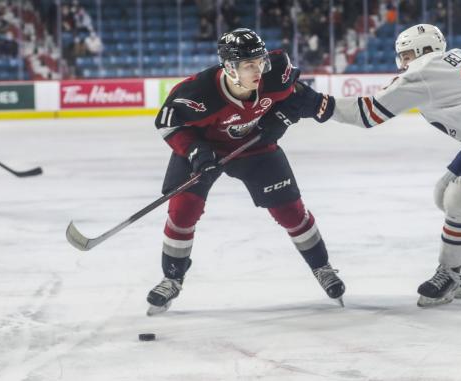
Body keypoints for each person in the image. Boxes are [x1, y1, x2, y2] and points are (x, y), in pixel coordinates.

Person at [289, 24, 461, 307]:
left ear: (419, 51)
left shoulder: (421, 72)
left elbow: (368, 113)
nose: (402, 62)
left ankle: (449, 274)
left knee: (460, 196)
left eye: (404, 55)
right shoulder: (454, 57)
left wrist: (317, 104)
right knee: (445, 193)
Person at [147, 28, 346, 315]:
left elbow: (297, 94)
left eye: (260, 61)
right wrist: (197, 153)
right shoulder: (196, 92)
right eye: (249, 65)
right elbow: (168, 124)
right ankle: (172, 278)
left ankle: (322, 267)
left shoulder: (275, 72)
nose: (259, 70)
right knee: (182, 211)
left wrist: (287, 114)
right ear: (229, 67)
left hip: (255, 148)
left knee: (291, 211)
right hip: (205, 149)